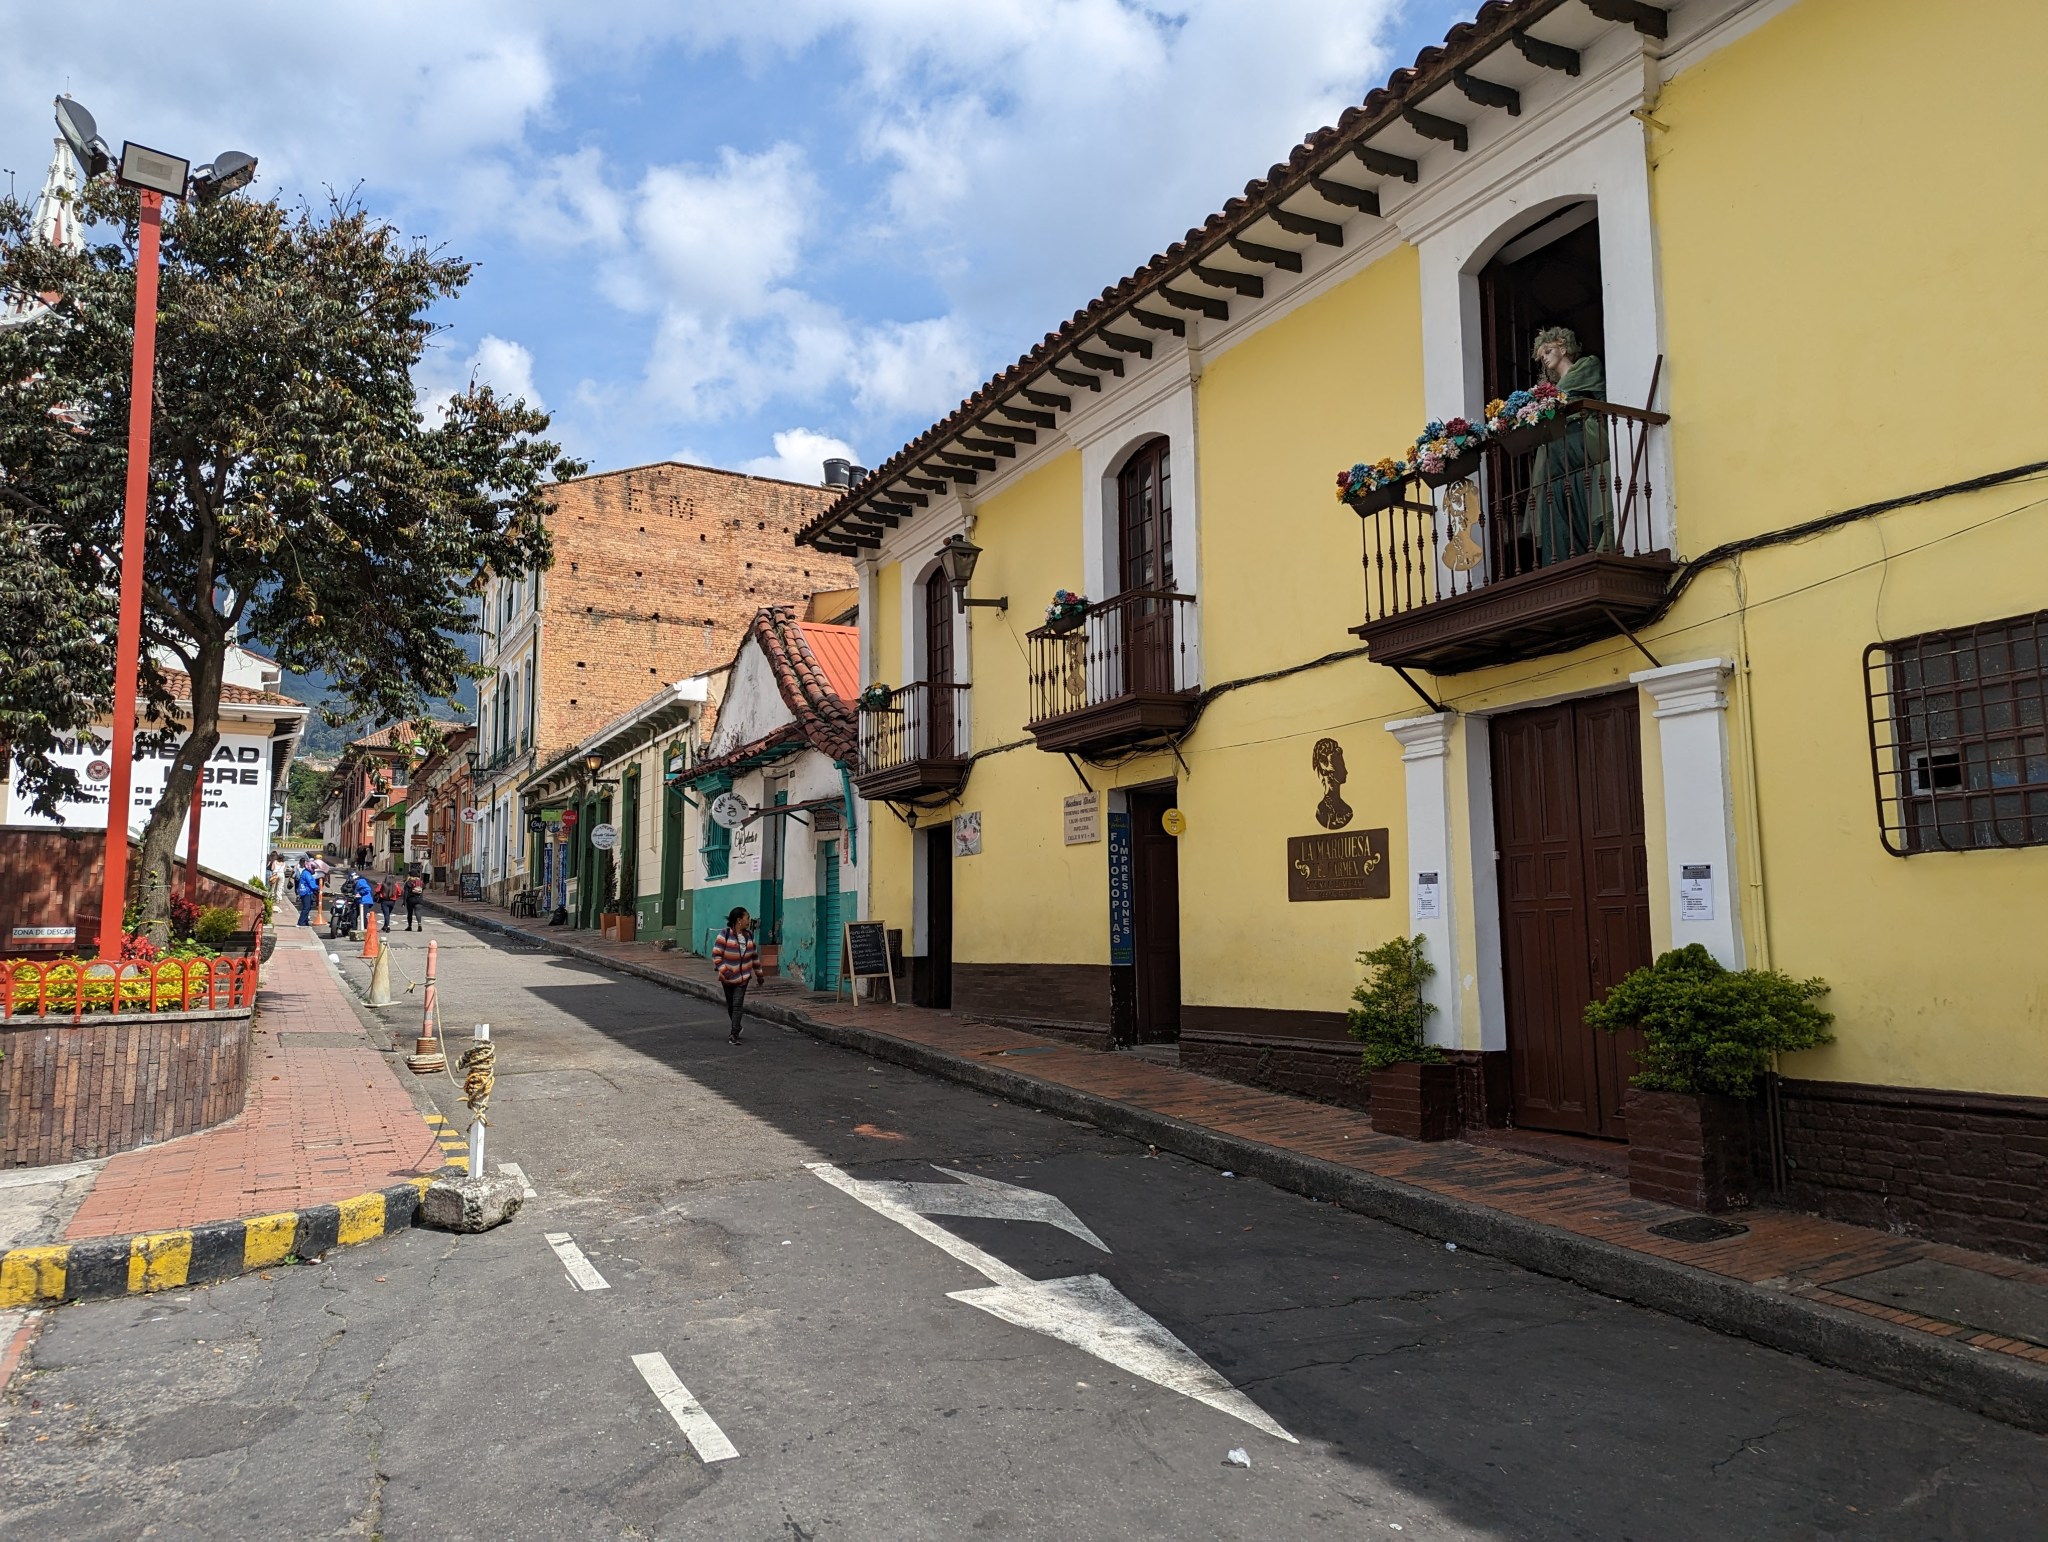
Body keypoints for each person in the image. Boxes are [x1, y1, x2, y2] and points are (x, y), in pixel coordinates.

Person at [1521, 325, 1612, 566]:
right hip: (1558, 450)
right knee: (1558, 493)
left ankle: (1596, 545)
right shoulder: (1550, 390)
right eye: (1541, 355)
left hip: (1582, 439)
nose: (1544, 357)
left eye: (1547, 350)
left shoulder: (1587, 367)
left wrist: (1544, 401)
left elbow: (1597, 398)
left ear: (1563, 347)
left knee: (1587, 488)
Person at [712, 907, 763, 1045]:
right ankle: (737, 1026)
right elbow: (716, 955)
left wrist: (759, 974)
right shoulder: (725, 934)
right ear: (739, 920)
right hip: (727, 977)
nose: (749, 920)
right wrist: (725, 971)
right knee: (731, 1005)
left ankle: (734, 1033)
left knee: (737, 1004)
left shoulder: (749, 935)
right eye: (747, 918)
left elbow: (754, 956)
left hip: (743, 977)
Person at [294, 861, 320, 927]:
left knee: (308, 908)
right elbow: (311, 883)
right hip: (305, 892)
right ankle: (301, 922)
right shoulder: (306, 873)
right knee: (306, 908)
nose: (313, 869)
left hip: (307, 892)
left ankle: (305, 921)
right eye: (313, 868)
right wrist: (317, 887)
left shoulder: (307, 873)